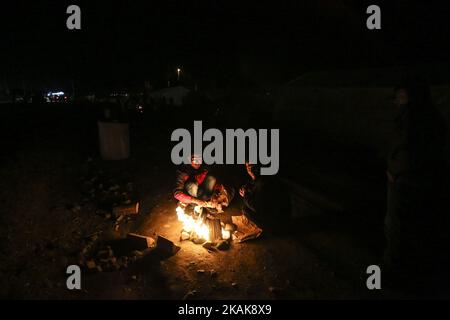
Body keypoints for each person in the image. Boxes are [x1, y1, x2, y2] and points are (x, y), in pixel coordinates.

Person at [384, 76, 447, 279]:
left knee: (397, 226)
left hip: (405, 180)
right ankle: (418, 269)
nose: (397, 101)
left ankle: (394, 270)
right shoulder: (434, 116)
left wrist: (394, 172)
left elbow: (404, 147)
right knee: (419, 225)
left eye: (400, 96)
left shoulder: (411, 116)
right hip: (426, 179)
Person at [239, 162, 291, 234]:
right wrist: (245, 188)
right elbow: (252, 184)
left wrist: (245, 195)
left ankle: (267, 230)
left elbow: (256, 207)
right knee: (247, 206)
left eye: (252, 166)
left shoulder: (264, 182)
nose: (250, 169)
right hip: (272, 214)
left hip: (278, 225)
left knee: (245, 210)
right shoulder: (261, 177)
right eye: (247, 166)